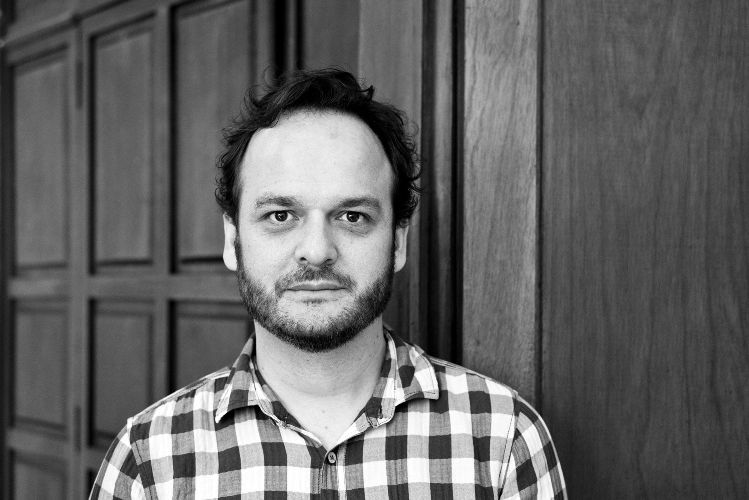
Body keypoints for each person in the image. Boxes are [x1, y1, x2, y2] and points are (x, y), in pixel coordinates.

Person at [90, 68, 566, 499]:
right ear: (232, 240)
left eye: (352, 216)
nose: (317, 250)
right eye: (281, 215)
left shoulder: (502, 439)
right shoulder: (148, 462)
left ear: (398, 242)